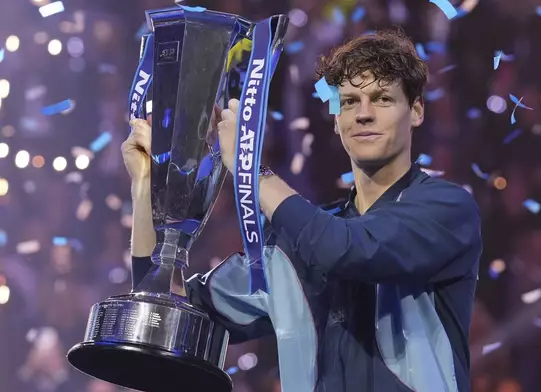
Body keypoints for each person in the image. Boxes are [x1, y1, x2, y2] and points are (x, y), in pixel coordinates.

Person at [123, 29, 481, 392]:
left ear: (416, 110)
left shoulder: (446, 209)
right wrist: (145, 188)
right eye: (350, 101)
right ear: (336, 117)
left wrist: (251, 168)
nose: (364, 114)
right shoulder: (293, 242)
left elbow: (349, 250)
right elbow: (168, 307)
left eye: (382, 98)